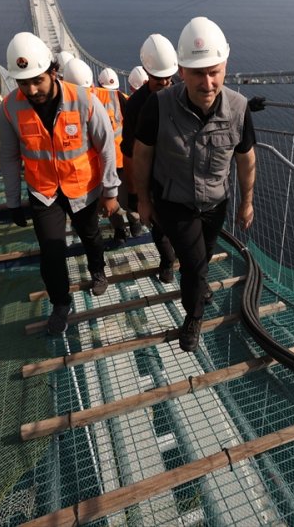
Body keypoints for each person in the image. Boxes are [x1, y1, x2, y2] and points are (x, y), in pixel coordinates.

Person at [133, 18, 256, 352]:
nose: (208, 82)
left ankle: (198, 287)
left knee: (203, 256)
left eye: (214, 72)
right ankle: (193, 315)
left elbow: (246, 159)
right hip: (175, 203)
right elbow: (142, 155)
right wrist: (143, 200)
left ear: (225, 67)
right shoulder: (158, 106)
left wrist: (247, 202)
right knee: (193, 264)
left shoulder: (239, 109)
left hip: (215, 204)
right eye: (198, 73)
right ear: (182, 71)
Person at [0, 32, 121, 335]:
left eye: (37, 80)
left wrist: (110, 192)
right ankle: (60, 302)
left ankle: (97, 270)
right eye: (23, 83)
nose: (31, 89)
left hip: (83, 188)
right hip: (44, 193)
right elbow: (9, 158)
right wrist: (13, 201)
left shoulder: (83, 100)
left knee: (91, 236)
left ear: (53, 72)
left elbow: (106, 146)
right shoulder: (10, 107)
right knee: (51, 252)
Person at [120, 34, 180, 283]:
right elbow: (129, 151)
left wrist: (242, 108)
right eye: (158, 78)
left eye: (169, 77)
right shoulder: (135, 105)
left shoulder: (185, 90)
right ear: (147, 72)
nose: (165, 82)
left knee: (189, 227)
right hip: (155, 177)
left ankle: (196, 276)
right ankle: (168, 261)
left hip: (183, 173)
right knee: (160, 225)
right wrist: (135, 193)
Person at [94, 67, 133, 245]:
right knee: (128, 196)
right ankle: (135, 224)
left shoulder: (91, 98)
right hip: (124, 158)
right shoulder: (126, 99)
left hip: (103, 162)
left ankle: (120, 231)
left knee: (110, 198)